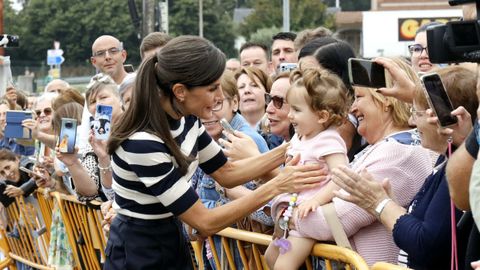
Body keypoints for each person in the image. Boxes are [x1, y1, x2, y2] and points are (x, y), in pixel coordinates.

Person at [104, 35, 324, 269]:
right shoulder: (142, 142)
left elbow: (226, 172)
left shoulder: (187, 118)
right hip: (139, 250)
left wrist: (292, 147)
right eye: (212, 88)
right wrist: (277, 186)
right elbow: (204, 221)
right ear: (180, 91)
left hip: (170, 238)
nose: (220, 97)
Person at [332, 63, 478, 269]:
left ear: (453, 119)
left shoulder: (462, 170)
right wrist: (391, 205)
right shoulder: (448, 161)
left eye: (416, 112)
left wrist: (380, 204)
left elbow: (426, 244)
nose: (411, 120)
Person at [265, 68, 350, 270]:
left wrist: (316, 200)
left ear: (321, 116)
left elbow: (342, 177)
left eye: (296, 110)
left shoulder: (328, 139)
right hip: (287, 218)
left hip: (306, 222)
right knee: (270, 258)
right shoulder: (300, 136)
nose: (290, 115)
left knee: (282, 267)